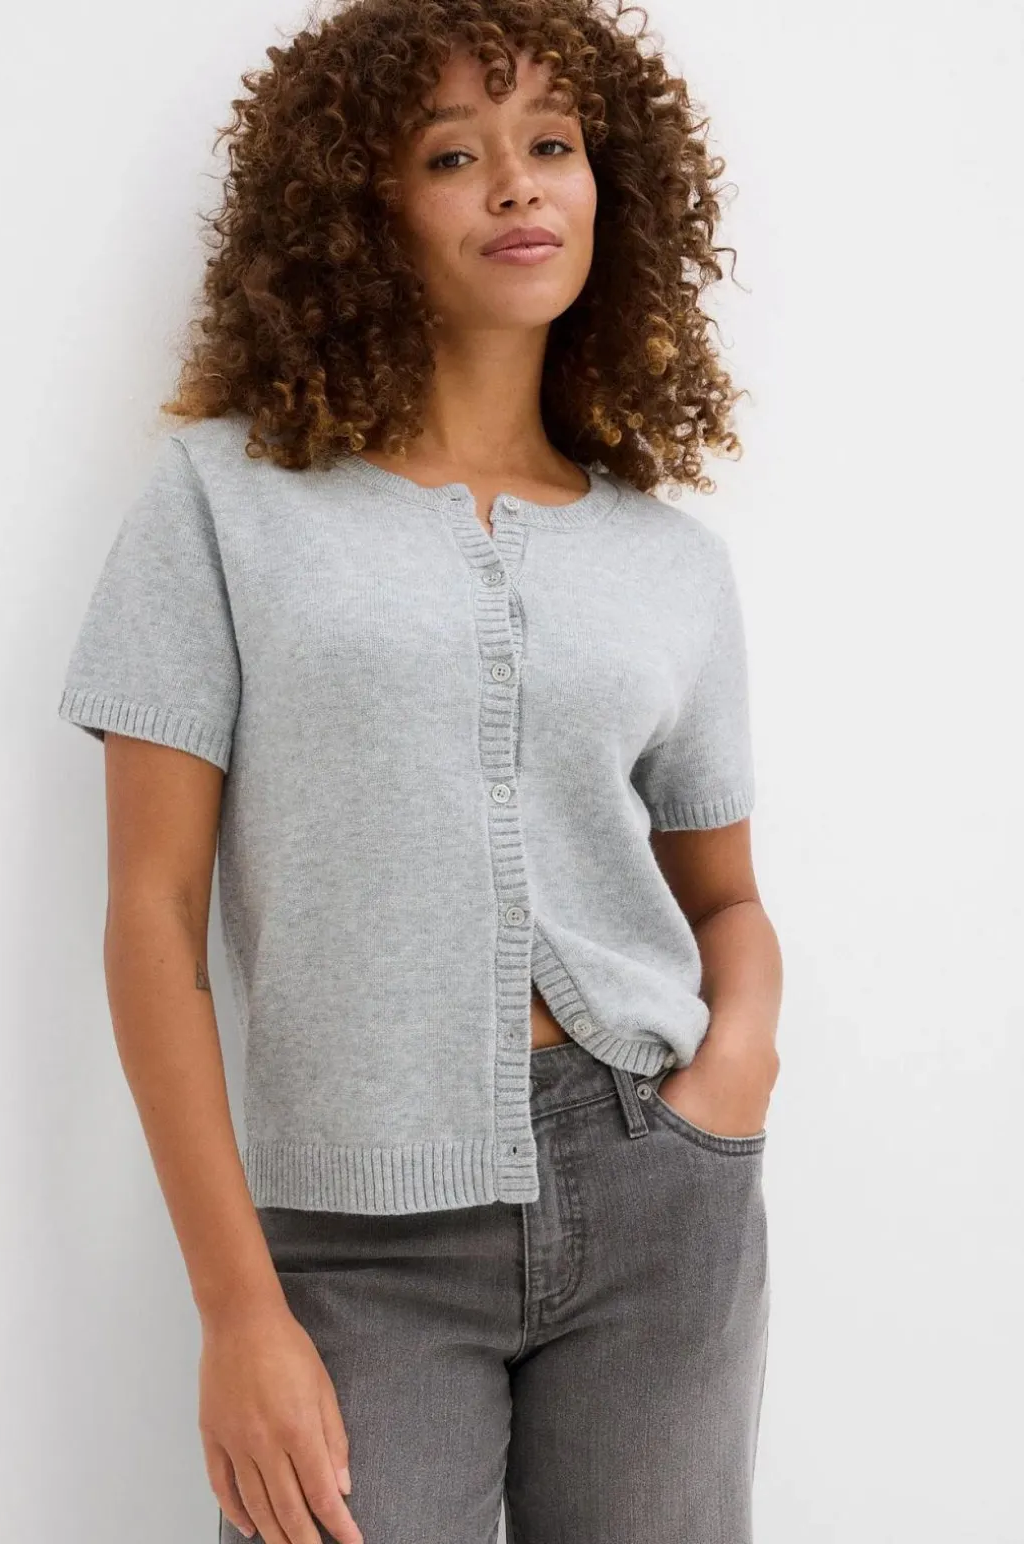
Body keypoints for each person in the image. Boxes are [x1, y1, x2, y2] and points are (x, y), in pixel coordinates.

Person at [56, 0, 782, 1539]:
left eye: (550, 145)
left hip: (656, 1190)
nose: (515, 184)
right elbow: (150, 916)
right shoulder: (225, 502)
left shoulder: (670, 562)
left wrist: (735, 1078)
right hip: (352, 1233)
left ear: (609, 188)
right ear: (361, 211)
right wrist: (237, 1311)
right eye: (453, 155)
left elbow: (721, 900)